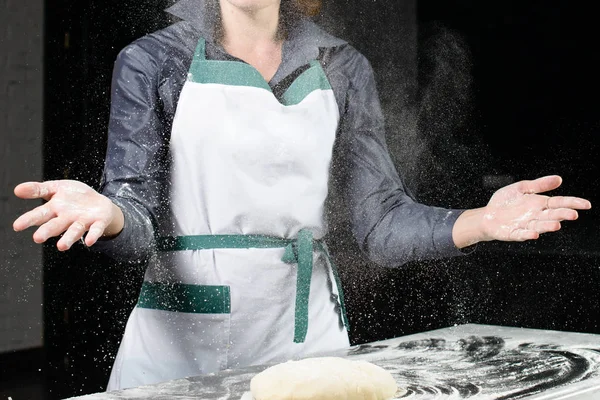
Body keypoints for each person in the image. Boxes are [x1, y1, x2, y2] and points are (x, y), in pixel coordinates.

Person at [13, 0, 591, 392]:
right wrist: (111, 214)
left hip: (308, 338)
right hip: (180, 342)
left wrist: (481, 222)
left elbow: (381, 225)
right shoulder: (151, 61)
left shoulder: (342, 66)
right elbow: (135, 215)